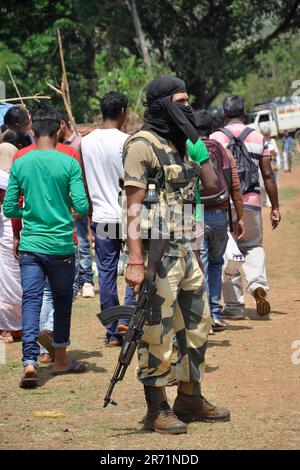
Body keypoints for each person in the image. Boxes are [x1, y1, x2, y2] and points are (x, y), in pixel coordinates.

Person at [124, 76, 229, 435]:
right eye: (178, 102)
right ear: (160, 105)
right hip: (156, 256)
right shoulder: (141, 145)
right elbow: (133, 208)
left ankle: (190, 397)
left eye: (188, 101)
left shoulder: (185, 143)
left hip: (185, 250)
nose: (185, 107)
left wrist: (194, 139)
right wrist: (135, 263)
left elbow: (214, 187)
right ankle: (157, 408)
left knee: (198, 325)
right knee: (156, 330)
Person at [3, 103, 89, 388]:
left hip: (30, 244)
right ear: (58, 129)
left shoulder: (21, 160)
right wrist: (66, 212)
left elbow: (9, 207)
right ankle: (61, 359)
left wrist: (29, 213)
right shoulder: (69, 160)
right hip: (62, 244)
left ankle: (29, 361)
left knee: (31, 300)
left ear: (32, 128)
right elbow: (81, 205)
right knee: (62, 301)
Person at [211, 96, 281, 319]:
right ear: (244, 113)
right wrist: (275, 206)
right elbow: (268, 174)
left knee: (227, 252)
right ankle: (258, 284)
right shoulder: (259, 137)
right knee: (253, 245)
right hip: (251, 203)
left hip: (224, 203)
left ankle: (233, 306)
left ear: (224, 114)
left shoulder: (215, 138)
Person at [81, 91, 133, 347]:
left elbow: (84, 181)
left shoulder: (86, 142)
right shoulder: (129, 141)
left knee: (106, 273)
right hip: (129, 215)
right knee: (137, 266)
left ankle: (113, 331)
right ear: (122, 110)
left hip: (101, 215)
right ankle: (129, 320)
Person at [189, 110, 244, 331]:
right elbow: (235, 185)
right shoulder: (222, 150)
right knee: (215, 263)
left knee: (198, 265)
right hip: (221, 214)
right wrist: (239, 217)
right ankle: (215, 313)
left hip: (196, 215)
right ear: (212, 129)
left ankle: (202, 319)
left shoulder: (189, 149)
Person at [58, 110, 95, 299]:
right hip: (62, 201)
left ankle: (86, 279)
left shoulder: (79, 144)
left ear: (62, 124)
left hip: (79, 199)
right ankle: (73, 281)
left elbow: (86, 174)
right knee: (69, 240)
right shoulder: (55, 146)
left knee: (81, 238)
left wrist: (85, 201)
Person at [0, 138, 22, 343]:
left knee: (9, 282)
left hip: (9, 234)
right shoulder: (16, 177)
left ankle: (9, 327)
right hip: (15, 232)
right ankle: (14, 326)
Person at [260, 126, 281, 207]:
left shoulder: (273, 141)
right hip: (262, 166)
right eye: (265, 134)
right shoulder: (260, 142)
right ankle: (263, 200)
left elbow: (277, 154)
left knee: (271, 183)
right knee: (262, 184)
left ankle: (270, 201)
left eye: (268, 134)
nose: (266, 135)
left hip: (273, 165)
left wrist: (277, 164)